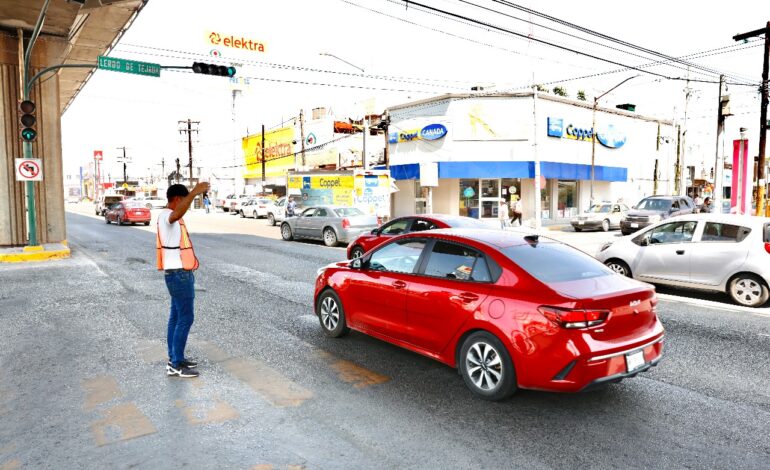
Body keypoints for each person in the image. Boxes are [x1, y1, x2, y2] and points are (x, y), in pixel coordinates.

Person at [156, 182, 209, 378]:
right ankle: (176, 364)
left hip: (177, 273)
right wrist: (194, 192)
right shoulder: (168, 215)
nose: (188, 204)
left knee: (176, 317)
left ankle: (175, 358)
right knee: (186, 318)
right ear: (178, 199)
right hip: (178, 274)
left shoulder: (166, 216)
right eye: (185, 200)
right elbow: (176, 215)